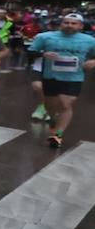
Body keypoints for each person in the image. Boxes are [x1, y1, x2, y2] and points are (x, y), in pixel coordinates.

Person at [29, 13, 95, 149]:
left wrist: (93, 61)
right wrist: (43, 54)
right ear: (61, 24)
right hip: (51, 76)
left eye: (73, 23)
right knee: (51, 105)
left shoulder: (90, 40)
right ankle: (53, 119)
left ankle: (57, 134)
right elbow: (30, 52)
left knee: (66, 104)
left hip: (74, 78)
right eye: (66, 22)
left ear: (81, 26)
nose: (69, 25)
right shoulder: (45, 37)